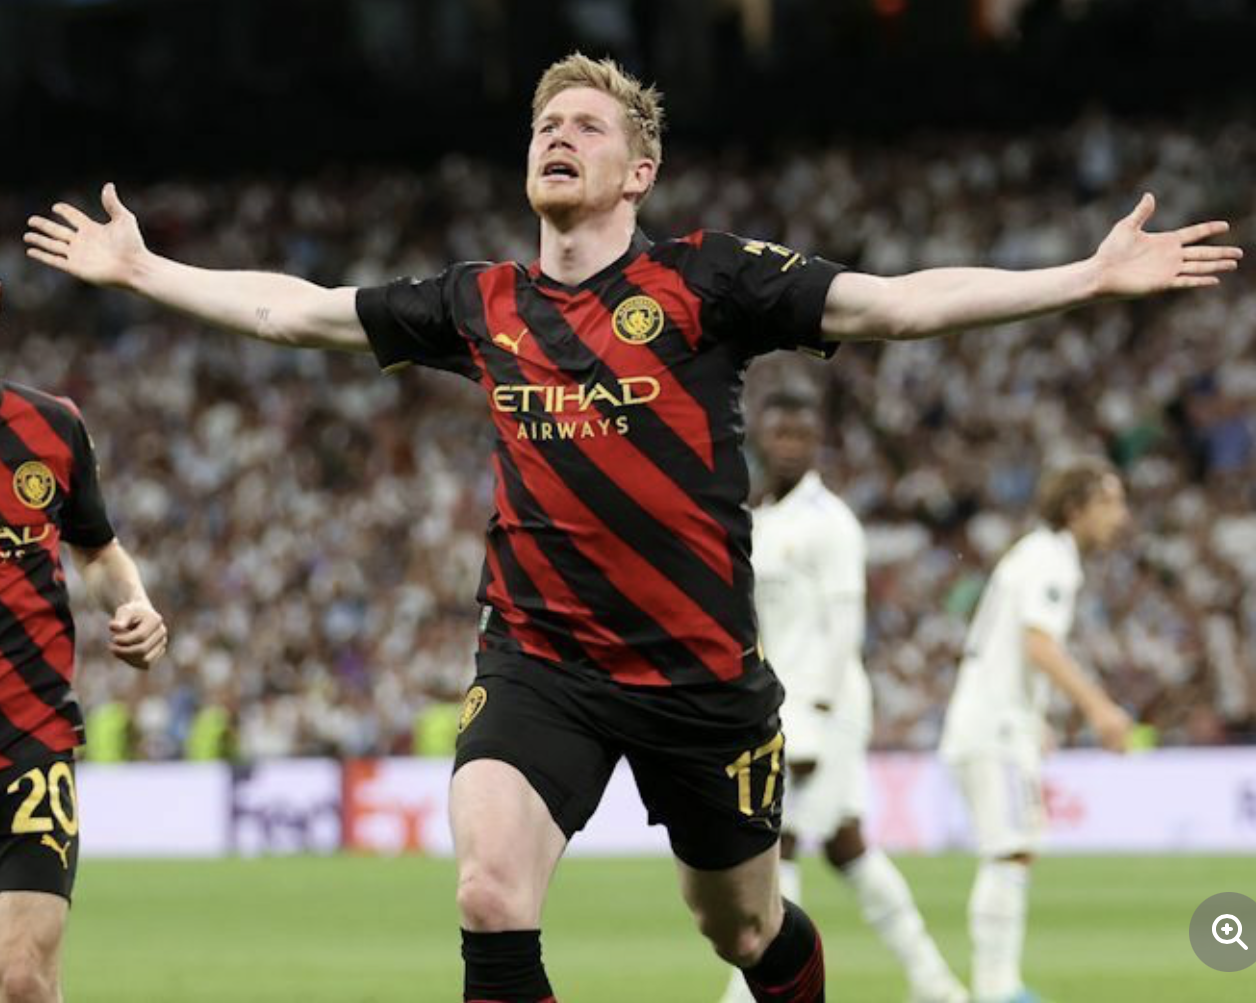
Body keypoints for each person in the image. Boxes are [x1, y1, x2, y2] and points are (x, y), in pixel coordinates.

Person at [23, 53, 1239, 1003]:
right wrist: (147, 271)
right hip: (538, 660)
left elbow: (893, 306)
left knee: (743, 927)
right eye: (544, 124)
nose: (558, 136)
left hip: (698, 677)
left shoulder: (705, 281)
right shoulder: (481, 302)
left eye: (587, 125)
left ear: (639, 169)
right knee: (489, 891)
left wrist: (1080, 277)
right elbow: (294, 313)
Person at [719, 389, 967, 1003]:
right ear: (761, 438)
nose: (789, 446)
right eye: (780, 434)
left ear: (818, 443)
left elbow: (845, 626)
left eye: (801, 436)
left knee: (777, 840)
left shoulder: (830, 522)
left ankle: (749, 993)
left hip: (820, 705)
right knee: (845, 844)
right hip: (779, 700)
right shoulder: (760, 518)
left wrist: (816, 715)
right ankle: (934, 983)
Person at [0, 287, 167, 1003]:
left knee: (23, 979)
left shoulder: (51, 425)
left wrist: (134, 603)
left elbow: (97, 550)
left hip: (29, 736)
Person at [939, 458, 1133, 1003]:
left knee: (1013, 850)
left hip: (995, 721)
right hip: (995, 727)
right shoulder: (1051, 559)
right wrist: (1100, 709)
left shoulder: (1036, 554)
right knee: (1010, 851)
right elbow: (1038, 644)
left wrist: (1037, 718)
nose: (1120, 516)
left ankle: (998, 987)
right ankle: (998, 989)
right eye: (1110, 502)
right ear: (1075, 508)